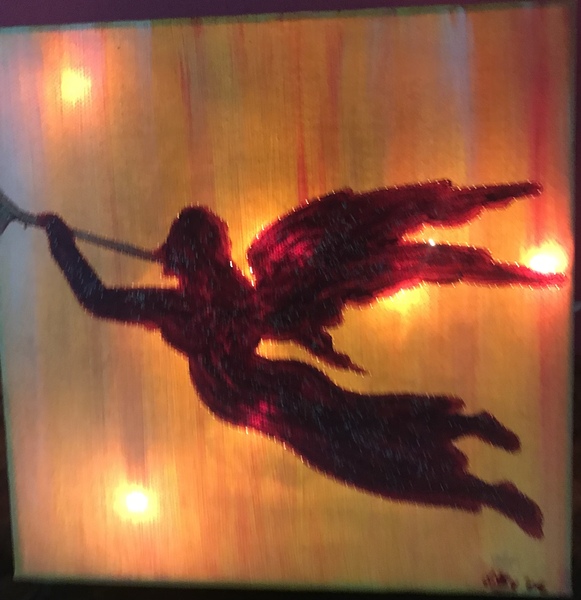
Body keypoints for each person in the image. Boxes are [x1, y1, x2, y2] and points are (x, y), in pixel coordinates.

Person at [14, 180, 565, 538]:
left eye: (188, 251)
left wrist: (61, 240)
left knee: (355, 442)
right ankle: (475, 456)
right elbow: (99, 299)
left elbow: (98, 298)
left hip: (264, 392)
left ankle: (478, 464)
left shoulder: (198, 302)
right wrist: (61, 241)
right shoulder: (209, 298)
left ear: (188, 255)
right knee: (355, 434)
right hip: (263, 393)